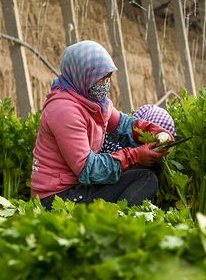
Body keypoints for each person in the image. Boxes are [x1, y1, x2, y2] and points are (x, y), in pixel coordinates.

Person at [31, 40, 174, 210]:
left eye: (108, 78)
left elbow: (122, 124)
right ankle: (117, 226)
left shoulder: (94, 101)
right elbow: (88, 169)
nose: (106, 84)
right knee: (146, 179)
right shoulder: (65, 111)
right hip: (57, 199)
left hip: (76, 186)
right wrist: (134, 156)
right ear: (82, 75)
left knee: (143, 172)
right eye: (101, 79)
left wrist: (148, 129)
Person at [100, 104, 176, 154]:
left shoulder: (102, 104)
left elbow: (121, 122)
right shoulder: (113, 147)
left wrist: (146, 127)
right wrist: (134, 157)